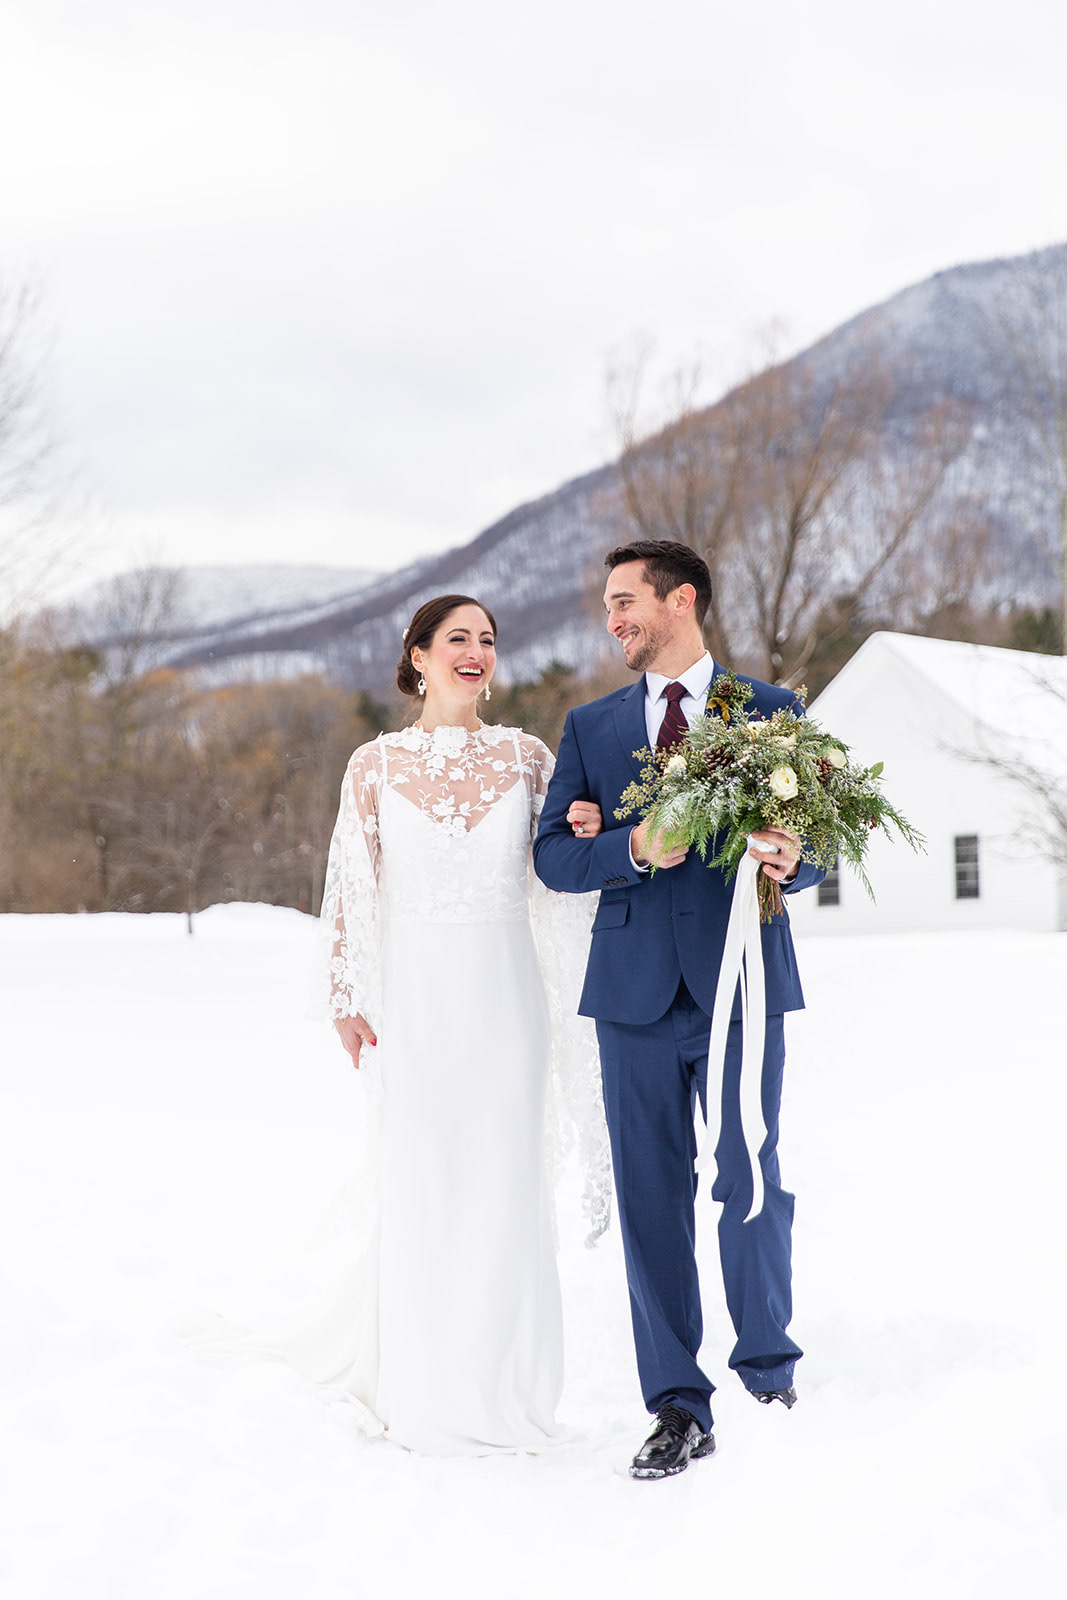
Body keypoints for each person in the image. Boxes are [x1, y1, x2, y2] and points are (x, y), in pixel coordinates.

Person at [532, 540, 824, 1480]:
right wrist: (631, 845)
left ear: (679, 600)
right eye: (607, 606)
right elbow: (551, 858)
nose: (612, 619)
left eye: (625, 601)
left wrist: (792, 859)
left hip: (744, 983)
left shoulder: (771, 713)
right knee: (649, 1199)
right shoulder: (590, 726)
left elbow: (820, 841)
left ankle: (766, 1375)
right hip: (629, 999)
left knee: (749, 1173)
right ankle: (674, 1404)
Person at [321, 593, 605, 1455]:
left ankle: (503, 1380)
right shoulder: (372, 766)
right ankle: (421, 1379)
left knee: (503, 1180)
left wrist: (589, 825)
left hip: (506, 993)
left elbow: (556, 866)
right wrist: (346, 995)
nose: (475, 652)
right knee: (424, 1175)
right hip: (413, 998)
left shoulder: (527, 760)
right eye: (457, 639)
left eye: (487, 639)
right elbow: (347, 886)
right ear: (417, 656)